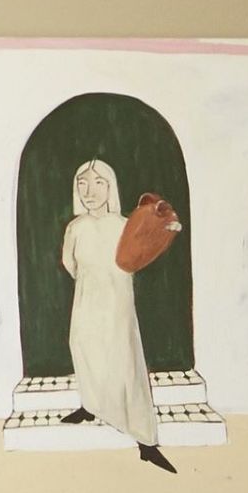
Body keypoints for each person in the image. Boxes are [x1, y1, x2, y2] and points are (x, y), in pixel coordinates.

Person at [59, 159, 175, 475]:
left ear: (111, 187)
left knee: (125, 366)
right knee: (84, 351)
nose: (89, 190)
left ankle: (146, 443)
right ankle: (91, 406)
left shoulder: (125, 225)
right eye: (82, 182)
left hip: (117, 307)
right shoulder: (75, 227)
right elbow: (70, 264)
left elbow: (140, 253)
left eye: (98, 182)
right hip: (85, 304)